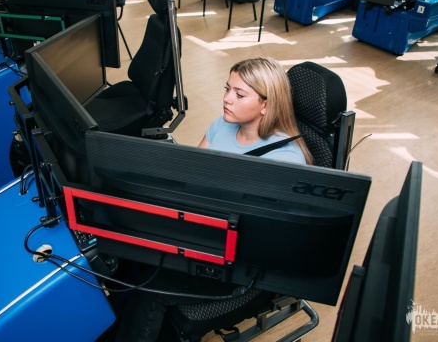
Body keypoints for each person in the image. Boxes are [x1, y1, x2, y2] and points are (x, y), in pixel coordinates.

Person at [113, 57, 313, 341]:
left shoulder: (284, 161)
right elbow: (190, 176)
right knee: (124, 249)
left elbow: (260, 240)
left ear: (266, 105)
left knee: (150, 291)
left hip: (238, 262)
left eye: (240, 94)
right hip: (202, 233)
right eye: (227, 89)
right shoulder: (222, 124)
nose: (227, 99)